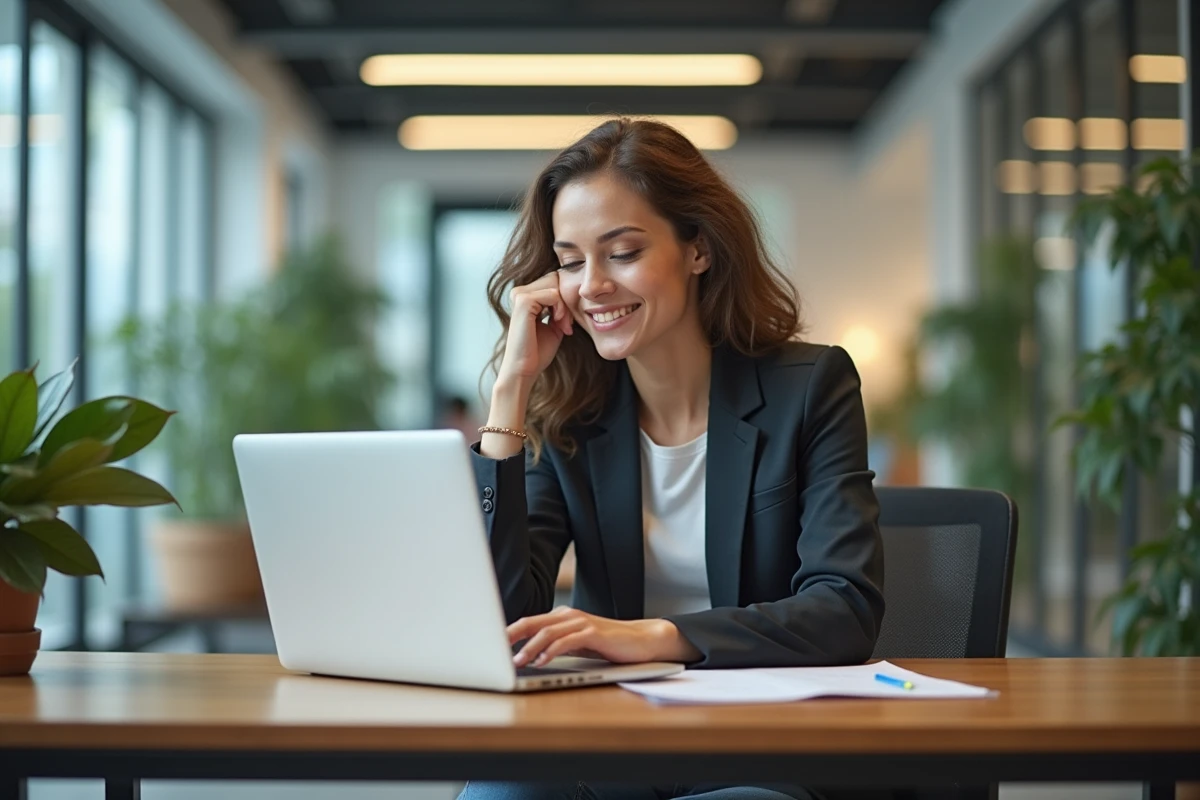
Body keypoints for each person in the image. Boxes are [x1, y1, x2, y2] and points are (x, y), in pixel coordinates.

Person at [461, 118, 886, 800]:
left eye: (621, 252)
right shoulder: (573, 415)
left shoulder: (810, 388)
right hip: (610, 745)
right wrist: (511, 393)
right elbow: (501, 617)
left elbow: (844, 608)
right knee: (498, 793)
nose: (591, 285)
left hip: (762, 744)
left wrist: (655, 636)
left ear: (698, 249)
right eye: (570, 261)